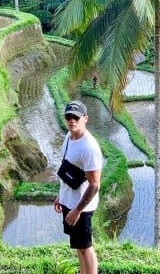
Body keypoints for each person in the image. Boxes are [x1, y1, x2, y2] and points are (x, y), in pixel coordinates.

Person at [53, 100, 103, 274]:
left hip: (82, 205)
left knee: (85, 246)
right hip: (69, 199)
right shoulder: (69, 136)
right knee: (78, 245)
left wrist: (77, 210)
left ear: (85, 119)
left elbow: (95, 185)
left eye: (76, 117)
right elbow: (68, 169)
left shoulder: (89, 148)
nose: (72, 120)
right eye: (68, 117)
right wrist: (61, 195)